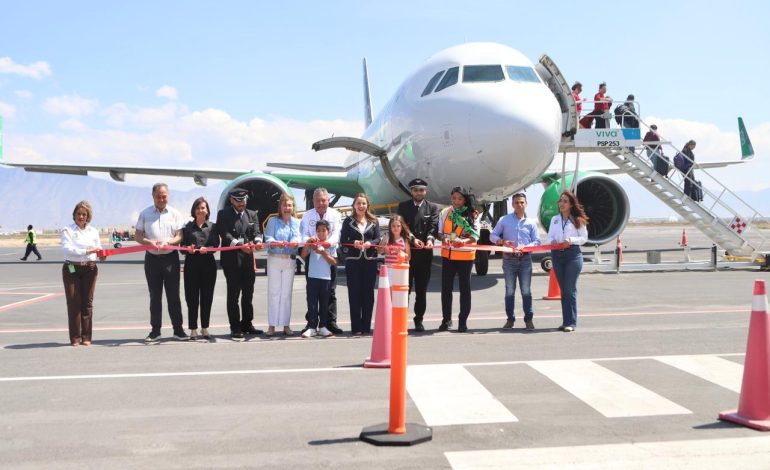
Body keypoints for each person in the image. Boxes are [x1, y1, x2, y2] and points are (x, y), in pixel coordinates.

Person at [135, 183, 188, 343]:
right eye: (158, 196)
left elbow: (180, 235)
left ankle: (178, 330)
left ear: (168, 196)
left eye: (164, 196)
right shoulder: (144, 214)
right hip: (152, 259)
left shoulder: (175, 214)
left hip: (170, 258)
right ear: (153, 196)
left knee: (174, 296)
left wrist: (170, 242)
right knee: (154, 296)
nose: (161, 199)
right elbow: (137, 235)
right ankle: (155, 331)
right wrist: (149, 242)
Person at [216, 188, 264, 341]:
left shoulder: (252, 214)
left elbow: (256, 231)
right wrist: (239, 244)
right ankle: (235, 327)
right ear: (231, 200)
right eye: (237, 200)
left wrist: (258, 242)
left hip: (248, 260)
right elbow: (225, 234)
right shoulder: (223, 214)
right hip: (232, 261)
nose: (241, 203)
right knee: (233, 295)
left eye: (243, 200)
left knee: (248, 294)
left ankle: (247, 324)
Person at [490, 193, 541, 330]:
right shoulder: (504, 220)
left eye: (522, 202)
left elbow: (537, 241)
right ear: (512, 205)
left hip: (525, 260)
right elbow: (492, 235)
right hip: (509, 260)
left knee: (526, 291)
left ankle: (528, 319)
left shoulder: (531, 223)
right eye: (517, 202)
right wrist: (500, 241)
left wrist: (527, 247)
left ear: (526, 204)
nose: (519, 205)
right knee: (510, 291)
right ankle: (510, 319)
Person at [397, 178, 439, 332]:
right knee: (404, 290)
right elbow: (401, 226)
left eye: (421, 190)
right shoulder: (403, 207)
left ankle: (419, 320)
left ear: (425, 191)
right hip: (407, 254)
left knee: (421, 291)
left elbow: (433, 226)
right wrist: (413, 239)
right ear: (411, 191)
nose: (418, 193)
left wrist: (429, 239)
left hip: (424, 256)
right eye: (415, 190)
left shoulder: (432, 208)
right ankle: (402, 319)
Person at [299, 188, 343, 334]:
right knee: (311, 292)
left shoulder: (336, 214)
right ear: (313, 201)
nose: (321, 203)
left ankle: (330, 322)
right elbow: (304, 234)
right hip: (312, 257)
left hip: (329, 254)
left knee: (330, 291)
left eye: (324, 200)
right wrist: (310, 240)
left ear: (328, 200)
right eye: (318, 200)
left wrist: (326, 244)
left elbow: (337, 234)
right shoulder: (307, 215)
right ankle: (311, 323)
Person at [61, 201, 105, 346]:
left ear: (88, 217)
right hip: (72, 268)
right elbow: (68, 249)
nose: (81, 216)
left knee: (87, 303)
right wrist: (87, 250)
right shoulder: (67, 230)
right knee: (74, 302)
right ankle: (75, 337)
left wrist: (102, 255)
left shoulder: (93, 231)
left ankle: (86, 336)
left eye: (84, 214)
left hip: (90, 269)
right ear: (74, 215)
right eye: (78, 214)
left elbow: (98, 249)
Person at [546, 191, 588, 332]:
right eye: (560, 201)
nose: (561, 203)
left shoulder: (577, 220)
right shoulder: (555, 219)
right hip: (557, 255)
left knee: (570, 289)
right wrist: (551, 241)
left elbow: (583, 238)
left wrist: (571, 241)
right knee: (564, 291)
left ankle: (571, 322)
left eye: (565, 201)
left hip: (572, 256)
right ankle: (566, 322)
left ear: (570, 204)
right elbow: (549, 236)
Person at [339, 193, 381, 336]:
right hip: (353, 261)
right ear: (354, 205)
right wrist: (353, 243)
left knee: (368, 295)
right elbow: (343, 240)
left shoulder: (374, 221)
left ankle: (366, 327)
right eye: (358, 203)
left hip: (369, 261)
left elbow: (378, 239)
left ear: (367, 205)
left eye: (363, 203)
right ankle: (356, 327)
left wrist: (371, 243)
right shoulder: (348, 221)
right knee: (354, 294)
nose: (361, 206)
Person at [438, 186, 479, 333]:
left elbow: (475, 236)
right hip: (448, 255)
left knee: (465, 289)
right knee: (446, 289)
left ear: (465, 200)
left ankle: (463, 321)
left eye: (460, 199)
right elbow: (440, 232)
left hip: (465, 256)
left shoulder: (472, 215)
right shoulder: (444, 212)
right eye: (454, 198)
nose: (456, 201)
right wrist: (444, 238)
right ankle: (446, 320)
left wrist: (463, 242)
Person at [181, 197, 219, 341]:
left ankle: (205, 328)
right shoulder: (187, 228)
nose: (200, 210)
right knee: (191, 298)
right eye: (197, 208)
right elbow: (182, 249)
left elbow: (216, 245)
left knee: (206, 297)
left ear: (207, 210)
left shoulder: (212, 227)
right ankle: (193, 329)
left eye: (203, 208)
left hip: (208, 265)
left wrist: (207, 249)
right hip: (191, 265)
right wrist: (187, 249)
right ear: (194, 210)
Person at [264, 193, 301, 337]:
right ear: (280, 207)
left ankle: (286, 325)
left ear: (293, 207)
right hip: (274, 258)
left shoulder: (296, 222)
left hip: (289, 260)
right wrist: (274, 242)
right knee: (274, 292)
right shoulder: (273, 221)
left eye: (290, 205)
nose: (287, 208)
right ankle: (272, 325)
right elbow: (268, 237)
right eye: (285, 205)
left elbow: (298, 237)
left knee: (286, 294)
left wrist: (295, 242)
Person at [301, 220, 337, 338]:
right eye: (318, 231)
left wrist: (324, 253)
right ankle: (312, 327)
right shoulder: (313, 243)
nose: (321, 233)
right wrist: (308, 243)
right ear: (315, 232)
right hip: (312, 277)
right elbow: (303, 255)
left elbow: (334, 262)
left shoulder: (330, 245)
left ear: (328, 231)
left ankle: (322, 327)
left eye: (323, 230)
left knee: (324, 304)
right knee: (312, 303)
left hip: (325, 278)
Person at [378, 215, 412, 283]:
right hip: (389, 269)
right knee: (390, 292)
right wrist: (384, 248)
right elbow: (379, 251)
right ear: (390, 227)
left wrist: (400, 252)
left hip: (401, 270)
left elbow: (408, 257)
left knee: (399, 291)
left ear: (402, 226)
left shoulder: (405, 239)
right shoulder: (386, 238)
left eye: (398, 226)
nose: (396, 228)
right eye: (393, 226)